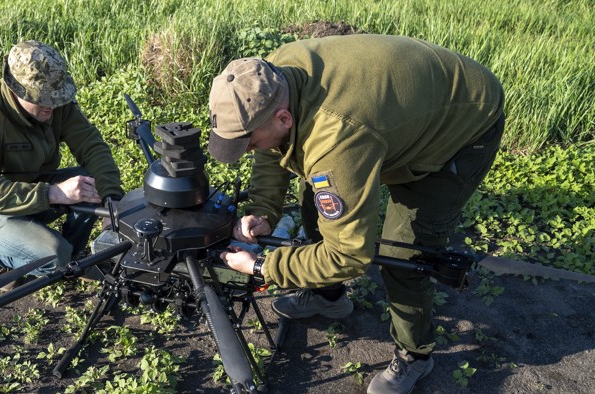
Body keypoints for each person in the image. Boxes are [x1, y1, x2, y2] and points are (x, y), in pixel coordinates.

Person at [208, 34, 504, 393]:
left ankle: (416, 356)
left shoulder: (337, 140)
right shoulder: (264, 77)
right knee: (314, 205)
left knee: (404, 254)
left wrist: (262, 267)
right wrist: (263, 210)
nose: (250, 149)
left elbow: (350, 254)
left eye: (249, 142)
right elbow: (272, 150)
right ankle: (328, 297)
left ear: (284, 116)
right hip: (397, 110)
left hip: (463, 123)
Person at [0, 40, 124, 288]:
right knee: (54, 252)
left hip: (36, 188)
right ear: (14, 88)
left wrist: (111, 199)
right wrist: (54, 193)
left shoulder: (55, 104)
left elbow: (91, 145)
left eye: (56, 97)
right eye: (42, 99)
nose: (52, 105)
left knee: (92, 184)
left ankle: (70, 260)